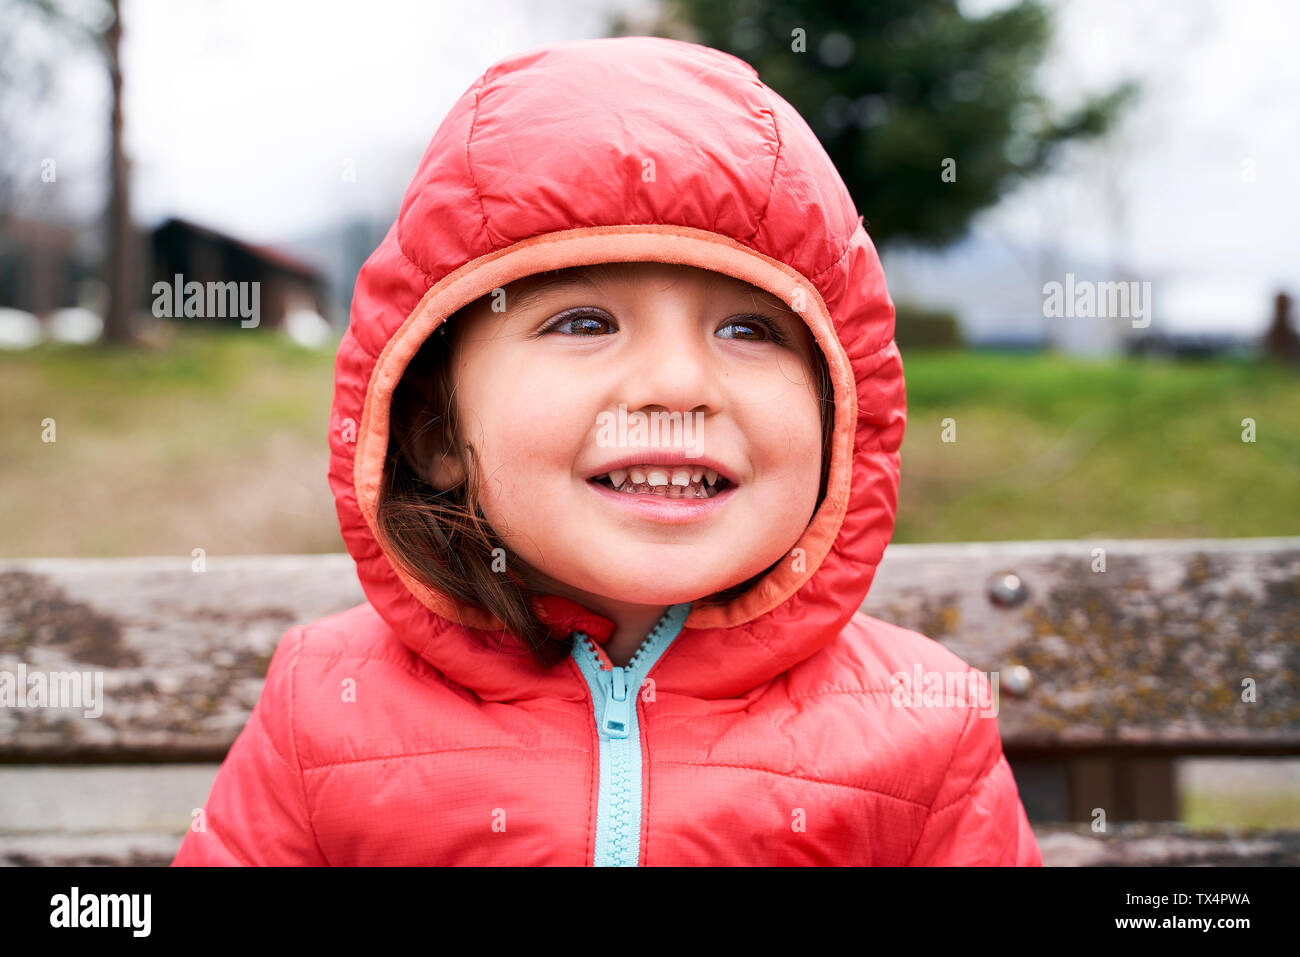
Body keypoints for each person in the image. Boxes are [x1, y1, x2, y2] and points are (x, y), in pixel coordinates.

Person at [171, 35, 1042, 866]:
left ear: (839, 408)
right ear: (436, 434)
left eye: (749, 328)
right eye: (584, 322)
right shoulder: (323, 709)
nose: (675, 384)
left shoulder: (921, 727)